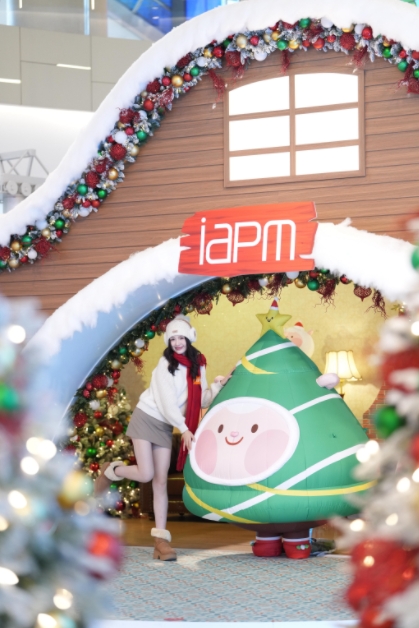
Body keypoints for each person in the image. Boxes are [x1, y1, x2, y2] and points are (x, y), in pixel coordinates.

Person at [94, 315, 230, 561]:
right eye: (173, 339)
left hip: (165, 426)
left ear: (190, 338)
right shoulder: (165, 366)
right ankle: (111, 470)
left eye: (181, 338)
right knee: (146, 474)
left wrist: (218, 386)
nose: (177, 343)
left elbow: (201, 400)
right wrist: (184, 428)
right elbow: (167, 404)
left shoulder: (198, 364)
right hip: (147, 417)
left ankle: (161, 541)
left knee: (160, 482)